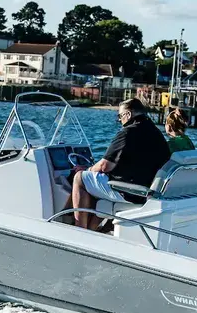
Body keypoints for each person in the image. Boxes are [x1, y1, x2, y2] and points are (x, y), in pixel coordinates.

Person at [70, 98, 170, 229]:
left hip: (130, 192)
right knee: (95, 183)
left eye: (120, 116)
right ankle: (93, 229)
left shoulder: (127, 132)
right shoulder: (157, 133)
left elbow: (104, 166)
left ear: (128, 115)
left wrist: (86, 169)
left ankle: (79, 229)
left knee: (80, 179)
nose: (119, 120)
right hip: (148, 191)